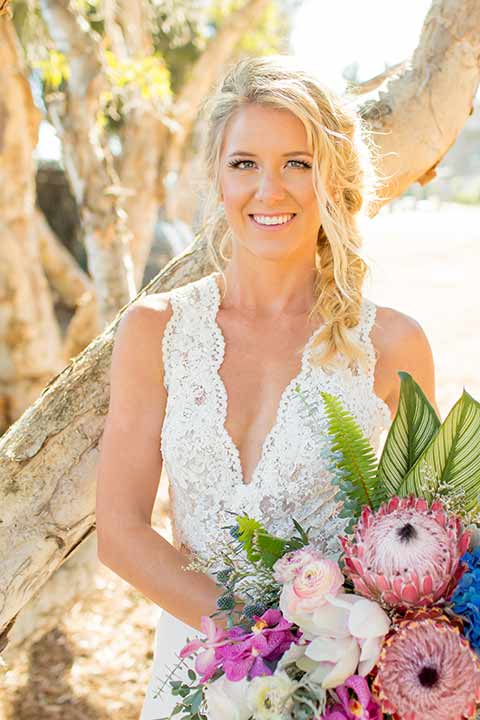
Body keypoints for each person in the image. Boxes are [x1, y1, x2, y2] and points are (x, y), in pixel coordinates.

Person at [95, 55, 440, 719]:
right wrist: (262, 652)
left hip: (336, 689)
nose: (268, 190)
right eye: (245, 163)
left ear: (333, 179)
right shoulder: (155, 330)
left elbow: (424, 549)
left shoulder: (394, 345)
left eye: (298, 163)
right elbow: (120, 529)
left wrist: (322, 668)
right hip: (194, 675)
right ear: (217, 178)